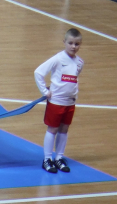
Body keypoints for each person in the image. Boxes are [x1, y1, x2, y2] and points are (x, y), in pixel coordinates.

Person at [35, 28, 84, 174]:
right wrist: (45, 91)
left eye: (77, 44)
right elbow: (38, 72)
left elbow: (74, 78)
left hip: (70, 102)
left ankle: (59, 157)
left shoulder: (80, 62)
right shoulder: (57, 59)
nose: (73, 46)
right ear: (64, 42)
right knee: (53, 129)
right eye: (70, 43)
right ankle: (47, 159)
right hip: (56, 102)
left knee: (64, 129)